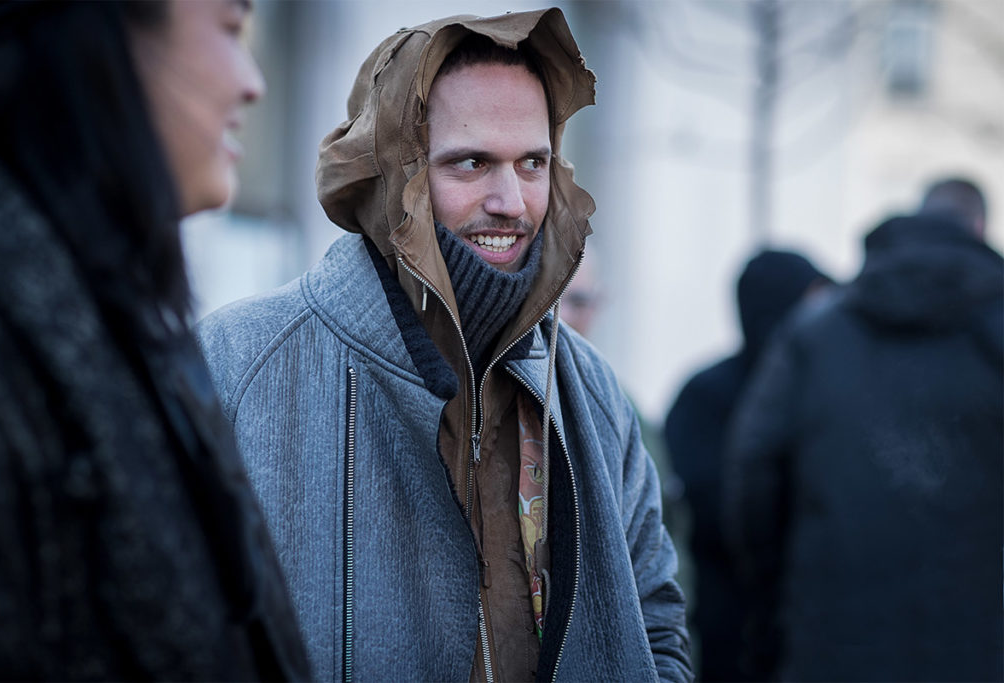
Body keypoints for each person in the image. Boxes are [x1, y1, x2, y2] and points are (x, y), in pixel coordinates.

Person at [196, 9, 693, 682]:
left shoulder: (595, 394)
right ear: (392, 174)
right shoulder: (237, 367)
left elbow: (656, 627)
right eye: (472, 163)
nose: (511, 201)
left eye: (533, 163)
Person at [0, 1, 309, 680]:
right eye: (230, 28)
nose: (253, 82)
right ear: (105, 41)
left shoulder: (113, 311)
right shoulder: (9, 342)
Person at [723, 178, 1003, 682]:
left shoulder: (816, 332)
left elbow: (753, 477)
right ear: (979, 229)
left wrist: (776, 596)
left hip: (833, 642)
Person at [663, 249, 830, 681]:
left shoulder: (822, 393)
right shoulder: (707, 396)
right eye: (811, 303)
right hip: (724, 624)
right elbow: (701, 508)